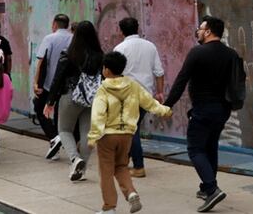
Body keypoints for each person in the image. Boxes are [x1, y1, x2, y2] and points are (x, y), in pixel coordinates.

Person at [162, 16, 241, 213]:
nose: (197, 31)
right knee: (210, 147)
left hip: (203, 109)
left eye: (200, 28)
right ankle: (207, 188)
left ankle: (212, 189)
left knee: (195, 149)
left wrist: (167, 105)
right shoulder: (231, 54)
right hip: (222, 110)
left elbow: (181, 81)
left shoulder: (197, 53)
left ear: (208, 32)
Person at [88, 51, 172, 214]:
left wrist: (93, 136)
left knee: (106, 171)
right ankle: (131, 193)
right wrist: (165, 110)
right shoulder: (133, 86)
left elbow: (98, 114)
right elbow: (149, 102)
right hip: (127, 135)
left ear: (105, 70)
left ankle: (109, 207)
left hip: (107, 136)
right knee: (121, 166)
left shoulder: (103, 89)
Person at [44, 20, 104, 182]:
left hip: (71, 96)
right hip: (93, 98)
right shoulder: (100, 55)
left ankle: (75, 159)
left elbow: (58, 78)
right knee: (87, 133)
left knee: (64, 129)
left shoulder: (69, 53)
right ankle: (81, 170)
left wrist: (50, 101)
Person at [113, 17, 165, 178]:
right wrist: (160, 92)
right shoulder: (150, 46)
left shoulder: (120, 48)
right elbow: (159, 72)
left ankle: (138, 166)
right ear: (138, 28)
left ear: (121, 31)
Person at [35, 14, 73, 159]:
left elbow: (41, 62)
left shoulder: (49, 38)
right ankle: (56, 143)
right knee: (59, 114)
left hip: (49, 83)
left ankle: (53, 137)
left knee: (40, 108)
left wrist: (36, 83)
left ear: (54, 24)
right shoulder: (73, 39)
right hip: (67, 85)